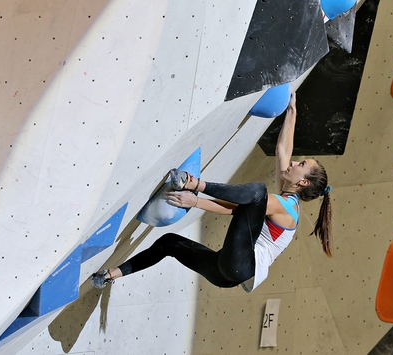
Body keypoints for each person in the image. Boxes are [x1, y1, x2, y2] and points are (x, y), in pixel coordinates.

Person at [91, 92, 332, 292]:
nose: (293, 164)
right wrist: (292, 110)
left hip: (242, 264)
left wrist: (195, 195)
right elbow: (282, 149)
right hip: (225, 274)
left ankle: (193, 181)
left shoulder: (285, 207)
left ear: (303, 183)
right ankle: (111, 275)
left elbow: (236, 209)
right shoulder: (285, 198)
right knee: (169, 243)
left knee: (257, 190)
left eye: (301, 166)